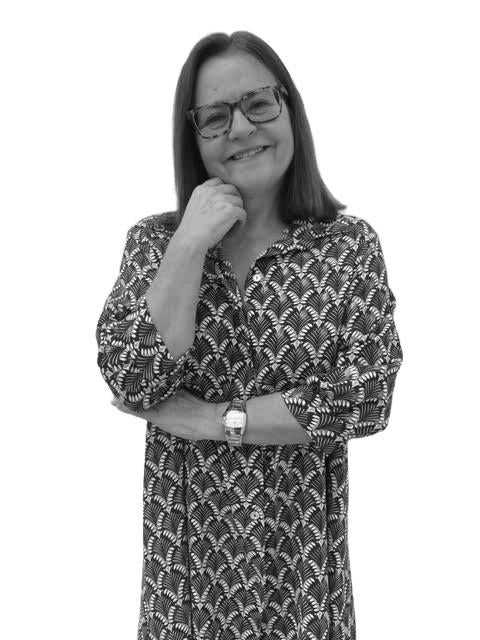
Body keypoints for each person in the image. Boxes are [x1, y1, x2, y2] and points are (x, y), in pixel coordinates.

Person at [96, 30, 403, 640]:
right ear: (193, 137)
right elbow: (134, 379)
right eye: (215, 118)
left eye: (258, 104)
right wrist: (188, 243)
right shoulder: (155, 244)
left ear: (290, 110)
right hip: (184, 591)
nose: (240, 128)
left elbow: (367, 398)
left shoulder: (346, 248)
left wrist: (215, 420)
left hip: (304, 589)